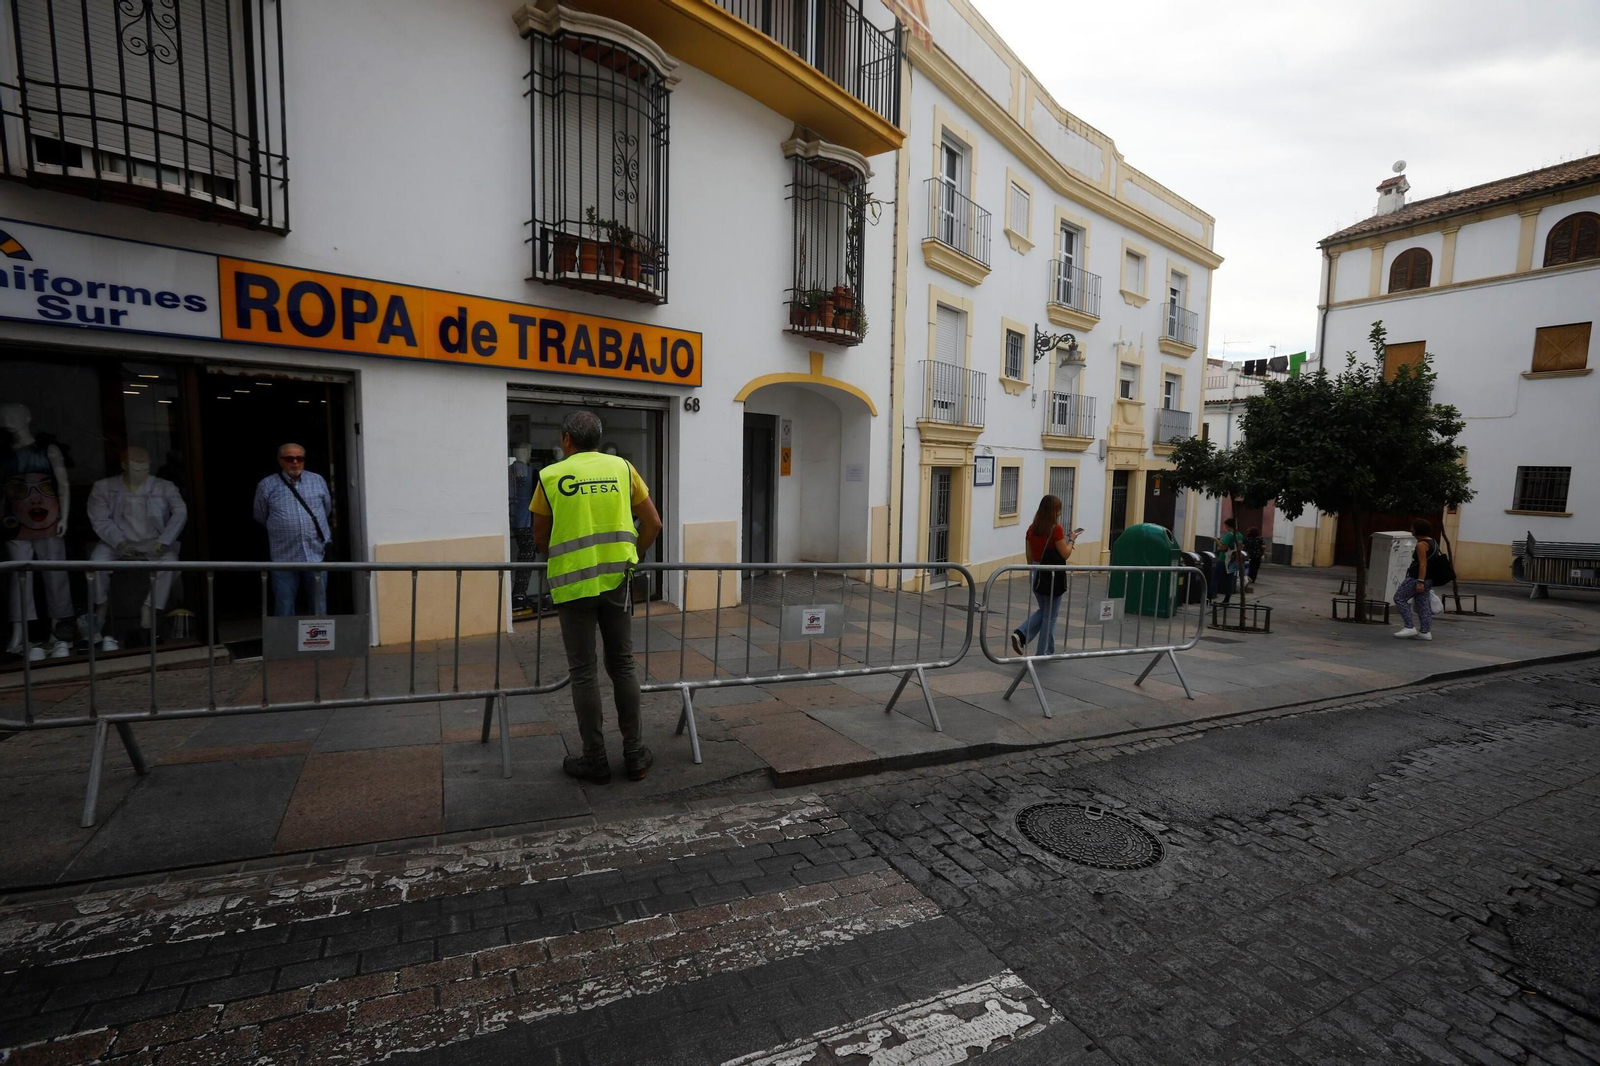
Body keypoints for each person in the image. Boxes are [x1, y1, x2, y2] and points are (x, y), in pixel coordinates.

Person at [532, 411, 662, 784]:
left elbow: (541, 537)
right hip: (617, 581)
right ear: (598, 438)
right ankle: (635, 755)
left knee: (584, 671)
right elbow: (653, 523)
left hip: (573, 586)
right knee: (622, 665)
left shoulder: (551, 475)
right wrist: (631, 555)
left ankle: (595, 759)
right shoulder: (623, 469)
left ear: (567, 439)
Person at [87, 445, 188, 649]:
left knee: (169, 563)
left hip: (154, 541)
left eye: (145, 469)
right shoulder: (103, 487)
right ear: (124, 466)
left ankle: (149, 609)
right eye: (136, 470)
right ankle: (101, 605)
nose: (141, 474)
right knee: (95, 563)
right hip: (115, 541)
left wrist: (164, 541)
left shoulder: (164, 486)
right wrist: (119, 542)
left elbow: (180, 512)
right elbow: (100, 519)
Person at [253, 443, 334, 616]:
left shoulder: (317, 480)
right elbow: (260, 516)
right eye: (289, 458)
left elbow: (326, 510)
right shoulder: (267, 485)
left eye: (300, 458)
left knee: (318, 603)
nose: (295, 462)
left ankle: (319, 642)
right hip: (284, 556)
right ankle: (285, 642)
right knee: (284, 603)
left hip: (315, 554)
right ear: (280, 461)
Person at [1009, 494, 1078, 656]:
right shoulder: (1056, 529)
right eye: (1059, 509)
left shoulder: (1031, 529)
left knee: (1044, 610)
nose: (1060, 512)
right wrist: (1072, 540)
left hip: (1036, 572)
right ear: (1054, 511)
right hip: (1052, 575)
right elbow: (1065, 554)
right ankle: (1043, 652)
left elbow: (1028, 555)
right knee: (1051, 616)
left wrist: (1034, 569)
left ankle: (1021, 634)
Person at [1394, 519, 1437, 641]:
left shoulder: (1421, 545)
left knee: (1399, 598)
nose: (1411, 530)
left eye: (1412, 528)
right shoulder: (1433, 542)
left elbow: (1423, 564)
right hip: (1429, 579)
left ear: (1418, 530)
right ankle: (1425, 631)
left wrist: (1420, 582)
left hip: (1416, 578)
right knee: (1422, 603)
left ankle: (1409, 626)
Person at [1214, 517, 1245, 606]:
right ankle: (1227, 599)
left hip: (1224, 559)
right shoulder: (1240, 535)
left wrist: (1217, 541)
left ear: (1228, 526)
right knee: (1230, 580)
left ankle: (1209, 596)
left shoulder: (1229, 535)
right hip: (1234, 560)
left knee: (1216, 578)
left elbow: (1223, 547)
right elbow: (1240, 546)